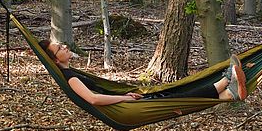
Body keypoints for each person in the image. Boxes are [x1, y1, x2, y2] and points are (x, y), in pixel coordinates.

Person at [38, 38, 247, 106]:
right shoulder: (70, 78)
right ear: (55, 59)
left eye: (62, 45)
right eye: (59, 49)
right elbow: (92, 99)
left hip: (126, 100)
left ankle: (229, 93)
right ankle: (225, 82)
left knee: (176, 92)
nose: (65, 47)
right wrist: (124, 98)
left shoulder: (71, 71)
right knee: (177, 98)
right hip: (125, 108)